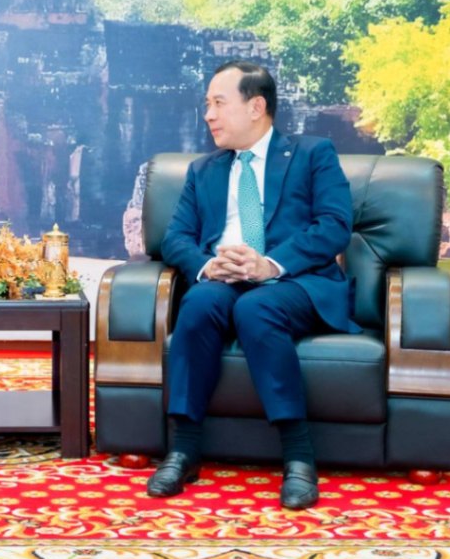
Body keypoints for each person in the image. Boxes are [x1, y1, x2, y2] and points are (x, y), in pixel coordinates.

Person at [149, 60, 354, 510]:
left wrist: (270, 265)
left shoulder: (313, 154)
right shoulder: (203, 170)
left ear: (256, 107)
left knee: (256, 308)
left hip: (293, 280)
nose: (208, 114)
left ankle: (298, 456)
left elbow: (334, 225)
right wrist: (208, 266)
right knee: (198, 304)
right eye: (207, 104)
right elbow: (175, 237)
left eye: (219, 103)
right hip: (224, 278)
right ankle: (183, 449)